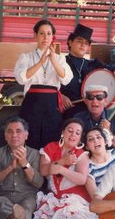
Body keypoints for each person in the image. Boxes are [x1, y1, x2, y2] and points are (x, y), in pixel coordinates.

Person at [14, 19, 73, 149]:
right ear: (35, 35)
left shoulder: (59, 58)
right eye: (41, 33)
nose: (45, 37)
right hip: (32, 103)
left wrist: (53, 60)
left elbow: (66, 78)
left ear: (53, 37)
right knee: (30, 139)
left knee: (51, 140)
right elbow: (21, 78)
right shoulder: (26, 57)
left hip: (52, 104)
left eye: (49, 34)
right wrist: (40, 63)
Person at [33, 118, 98, 219]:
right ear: (62, 132)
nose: (73, 135)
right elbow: (43, 170)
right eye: (70, 131)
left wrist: (61, 169)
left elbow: (82, 179)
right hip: (55, 197)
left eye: (77, 133)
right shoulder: (50, 148)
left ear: (80, 138)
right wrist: (63, 161)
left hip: (75, 197)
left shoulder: (81, 154)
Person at [0, 117, 43, 219]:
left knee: (27, 206)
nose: (14, 135)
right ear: (5, 136)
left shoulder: (35, 154)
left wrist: (24, 163)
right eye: (10, 131)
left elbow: (39, 183)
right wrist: (10, 167)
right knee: (1, 203)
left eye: (18, 131)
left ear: (26, 135)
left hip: (27, 195)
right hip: (4, 194)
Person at [61, 23, 115, 119]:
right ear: (70, 42)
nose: (83, 45)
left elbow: (114, 67)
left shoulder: (93, 64)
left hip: (89, 113)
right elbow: (48, 84)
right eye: (79, 41)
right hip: (67, 111)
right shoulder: (60, 62)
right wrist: (60, 96)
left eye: (86, 43)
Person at [74, 85, 115, 151]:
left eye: (99, 97)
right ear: (86, 101)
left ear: (105, 101)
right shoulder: (78, 118)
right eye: (90, 97)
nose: (95, 101)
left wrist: (109, 132)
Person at [83, 127, 115, 198]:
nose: (95, 140)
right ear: (87, 146)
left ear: (105, 141)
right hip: (112, 204)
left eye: (98, 137)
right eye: (90, 139)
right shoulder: (88, 168)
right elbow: (96, 201)